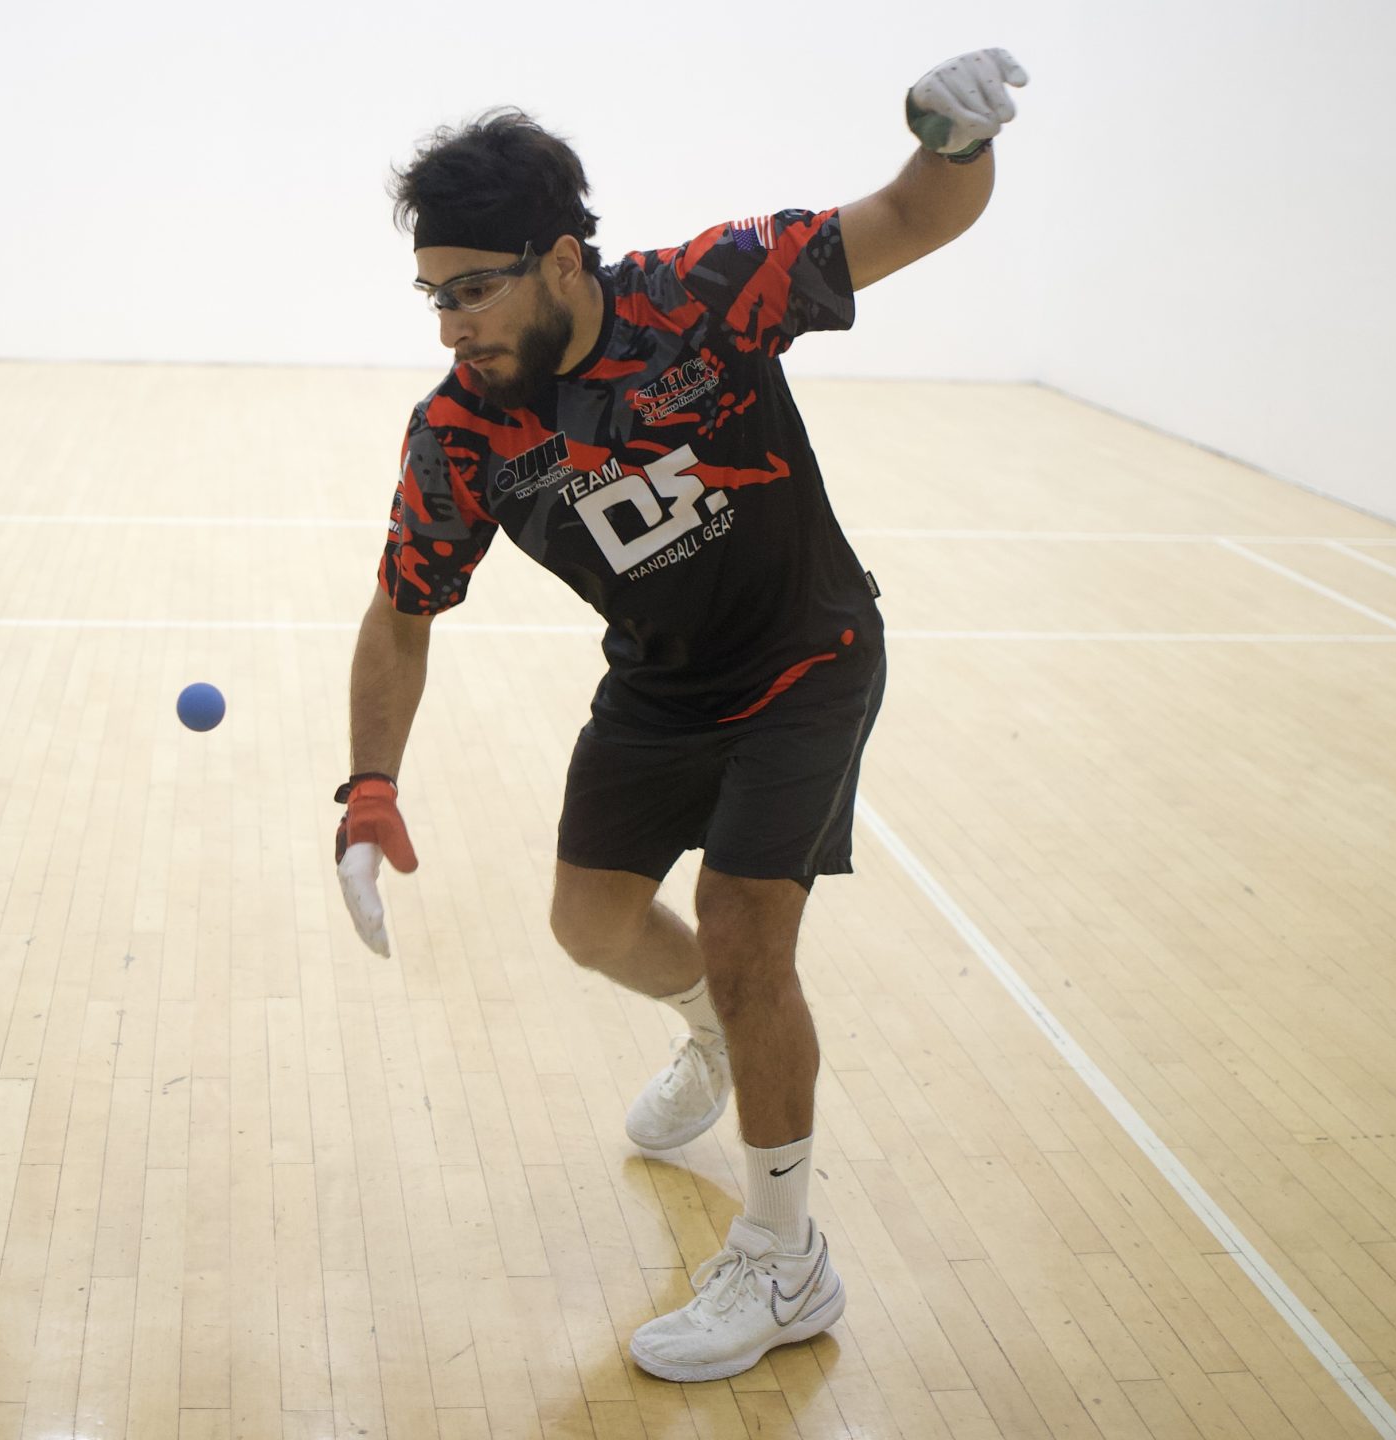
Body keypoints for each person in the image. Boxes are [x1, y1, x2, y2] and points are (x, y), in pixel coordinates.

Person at [332, 50, 1030, 1383]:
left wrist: (955, 143)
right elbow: (403, 609)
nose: (450, 328)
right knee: (588, 924)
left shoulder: (706, 291)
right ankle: (711, 1031)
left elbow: (912, 215)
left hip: (806, 658)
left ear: (561, 262)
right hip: (659, 680)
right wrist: (371, 788)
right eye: (434, 297)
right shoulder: (460, 433)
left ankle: (784, 1260)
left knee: (744, 930)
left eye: (473, 291)